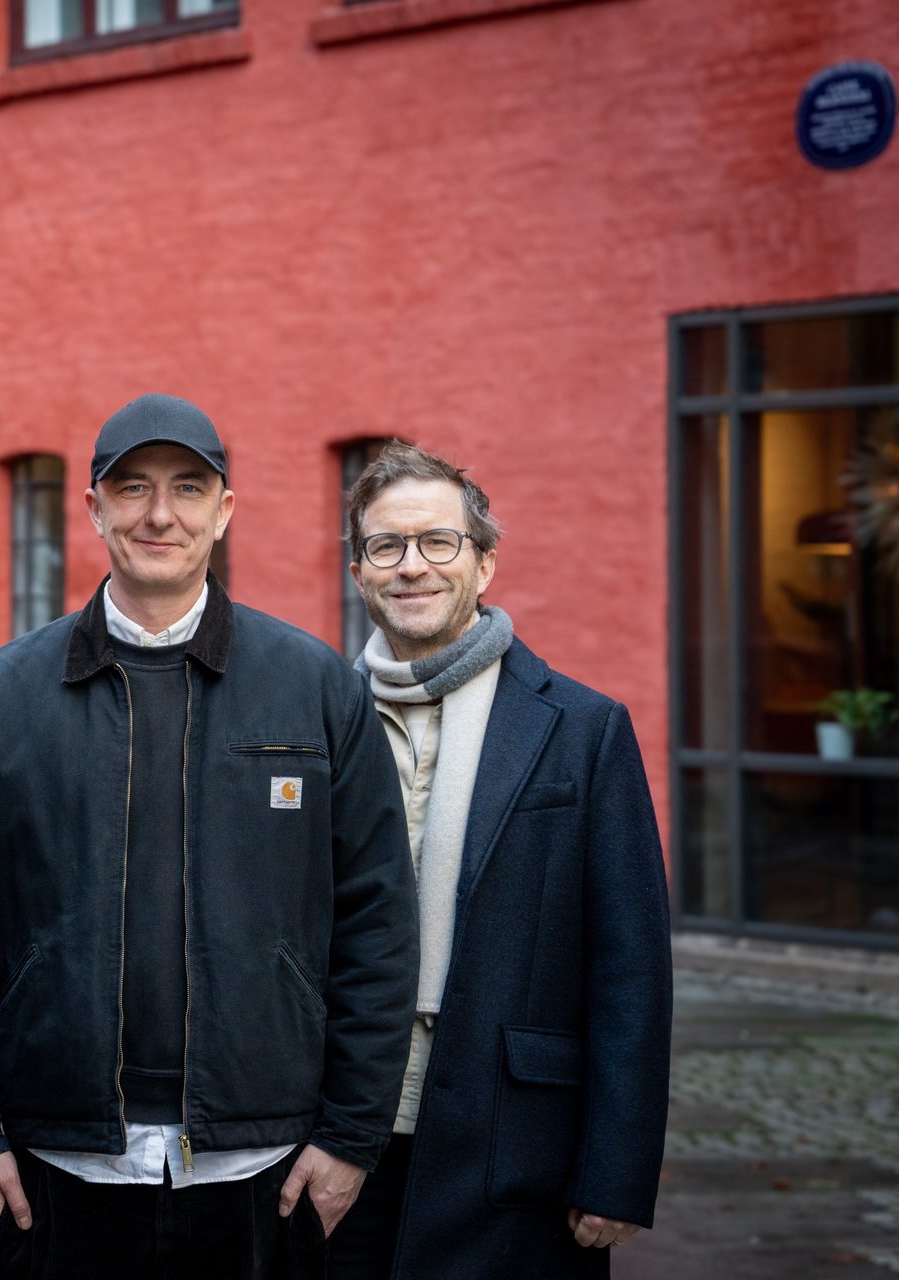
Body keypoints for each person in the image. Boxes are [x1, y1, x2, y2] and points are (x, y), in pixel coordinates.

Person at [0, 393, 419, 1278]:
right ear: (92, 508)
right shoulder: (2, 699)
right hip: (56, 1166)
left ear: (225, 511)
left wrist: (351, 1136)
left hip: (261, 1167)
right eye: (133, 488)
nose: (161, 514)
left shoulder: (314, 689)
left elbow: (377, 920)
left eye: (189, 488)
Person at [324, 442, 672, 1279]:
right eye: (387, 546)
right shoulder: (314, 716)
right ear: (359, 570)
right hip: (338, 1130)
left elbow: (630, 968)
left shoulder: (583, 730)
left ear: (483, 563)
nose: (413, 567)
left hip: (515, 1141)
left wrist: (617, 1171)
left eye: (439, 543)